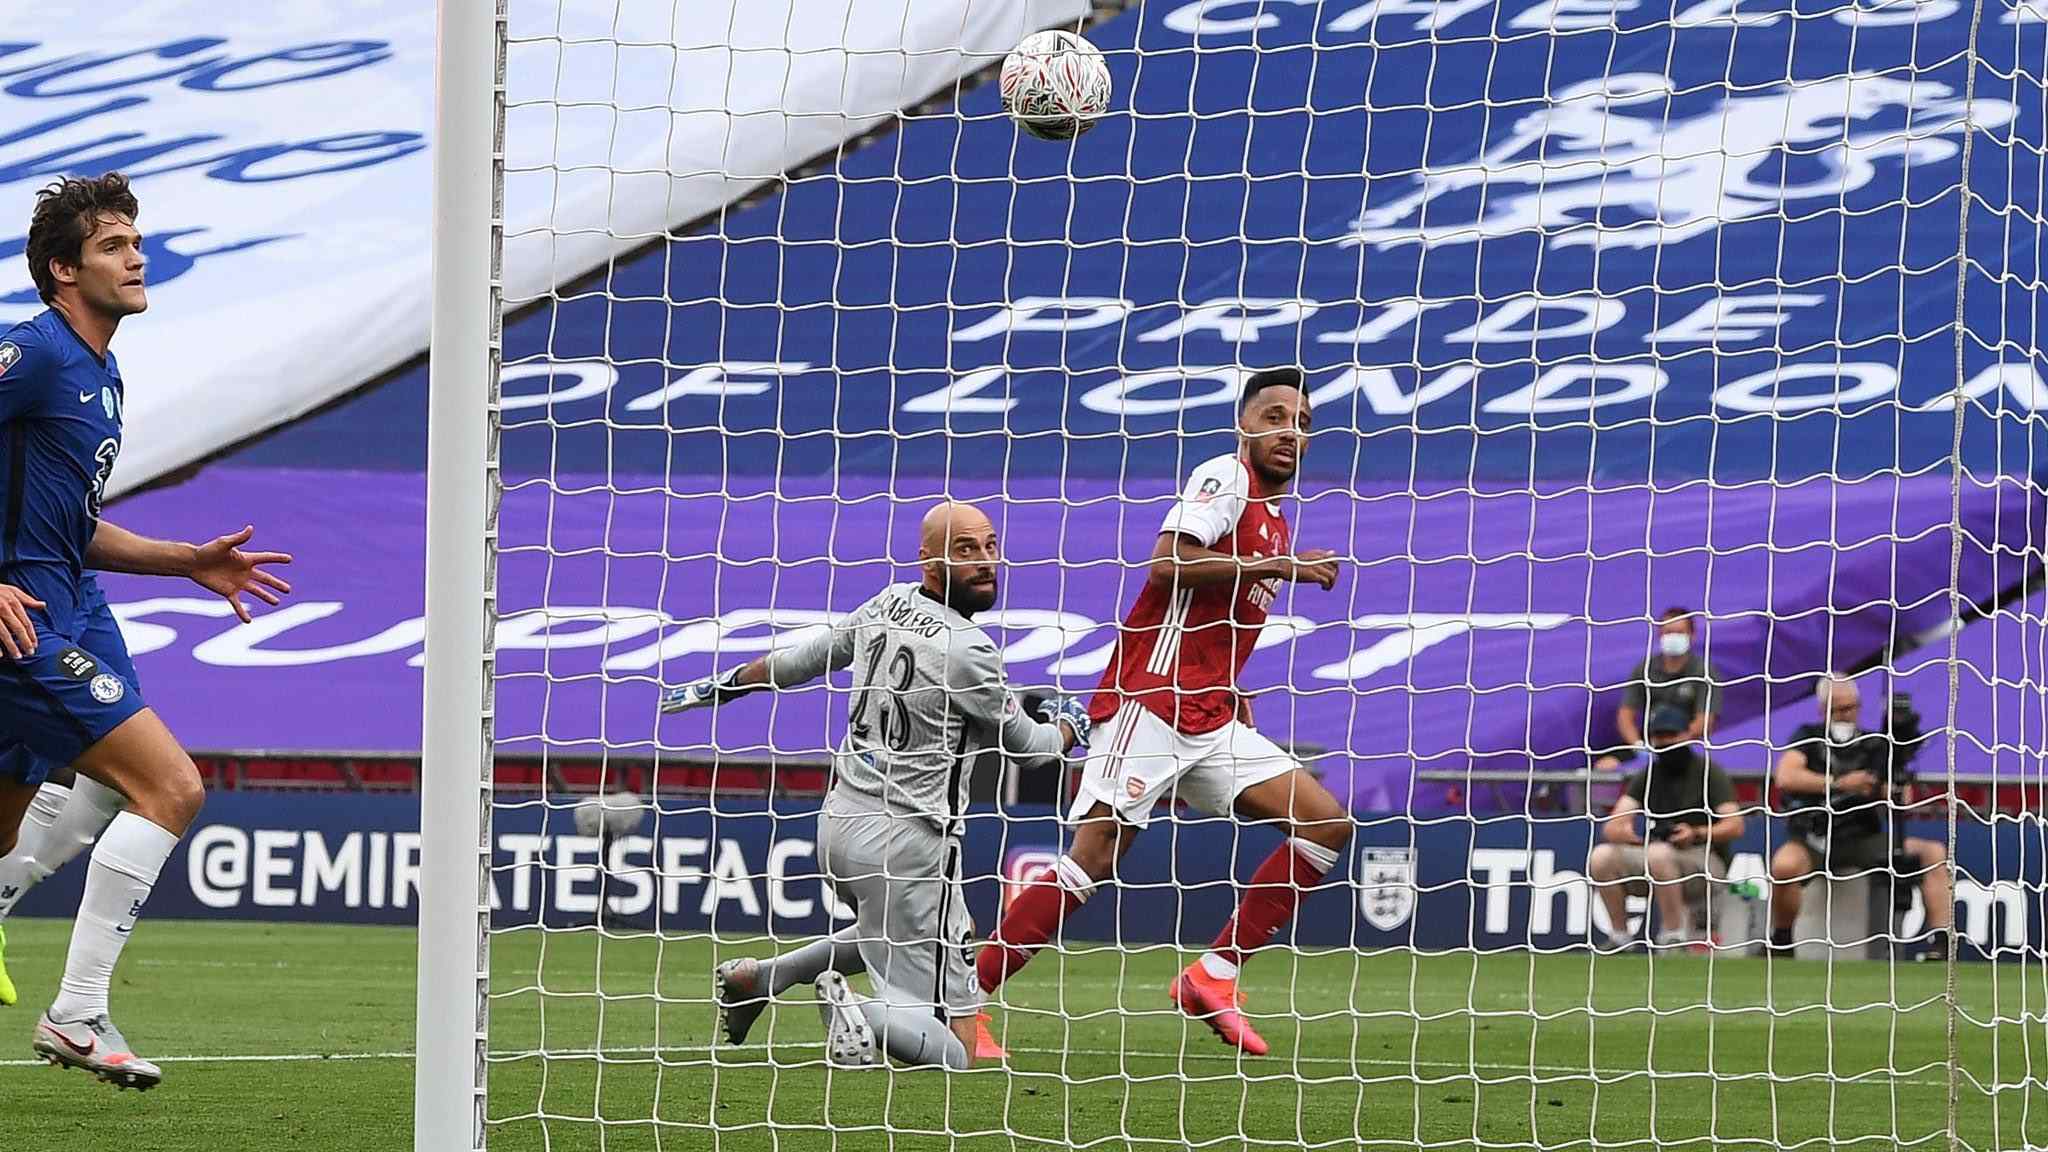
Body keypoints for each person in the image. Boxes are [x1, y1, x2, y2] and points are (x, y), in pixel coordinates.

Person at [0, 174, 292, 1088]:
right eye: (114, 246)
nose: (137, 257)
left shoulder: (100, 369)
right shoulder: (35, 353)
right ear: (62, 269)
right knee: (170, 786)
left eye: (137, 241)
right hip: (25, 625)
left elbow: (68, 520)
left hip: (59, 598)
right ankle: (78, 1012)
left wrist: (185, 560)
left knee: (7, 833)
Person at [975, 367, 1353, 1058]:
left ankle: (1213, 976)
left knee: (1325, 822)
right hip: (1149, 701)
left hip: (1208, 716)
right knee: (1092, 859)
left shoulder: (1275, 519)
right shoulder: (1226, 479)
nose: (1288, 431)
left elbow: (1211, 621)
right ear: (1244, 424)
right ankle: (964, 1002)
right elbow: (1168, 566)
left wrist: (1231, 686)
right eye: (1273, 415)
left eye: (1300, 421)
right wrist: (1287, 569)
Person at [667, 501, 1086, 1070]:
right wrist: (1070, 724)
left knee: (879, 931)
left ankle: (760, 978)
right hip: (911, 844)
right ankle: (861, 1012)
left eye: (990, 546)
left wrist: (726, 682)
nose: (986, 561)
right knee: (958, 1046)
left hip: (839, 824)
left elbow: (800, 661)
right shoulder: (970, 649)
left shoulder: (887, 603)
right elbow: (1033, 752)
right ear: (929, 561)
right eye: (967, 550)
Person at [1768, 674, 1952, 960]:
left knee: (1934, 853)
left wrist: (1890, 791)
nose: (1846, 716)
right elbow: (1786, 775)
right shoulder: (1808, 737)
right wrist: (1840, 782)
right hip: (1814, 836)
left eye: (1851, 708)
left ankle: (1941, 942)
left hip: (1863, 836)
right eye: (1838, 709)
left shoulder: (1874, 745)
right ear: (1822, 709)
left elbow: (1899, 794)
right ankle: (1782, 939)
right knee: (1783, 866)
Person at [1586, 704, 1744, 951]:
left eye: (1671, 735)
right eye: (1658, 736)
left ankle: (1673, 936)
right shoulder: (1649, 774)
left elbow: (1735, 825)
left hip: (1705, 860)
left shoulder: (1708, 772)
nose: (1665, 742)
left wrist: (1696, 833)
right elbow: (1614, 823)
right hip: (1656, 855)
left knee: (1658, 855)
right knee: (1601, 857)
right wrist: (1625, 834)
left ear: (1685, 735)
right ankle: (1619, 937)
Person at [1595, 608, 1719, 772]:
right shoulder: (1645, 669)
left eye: (1679, 632)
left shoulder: (1704, 672)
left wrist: (1673, 742)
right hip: (1649, 741)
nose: (1673, 637)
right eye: (1668, 632)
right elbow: (1625, 716)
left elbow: (1704, 721)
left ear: (1692, 635)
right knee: (1605, 765)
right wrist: (1638, 745)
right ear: (1660, 635)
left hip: (1689, 744)